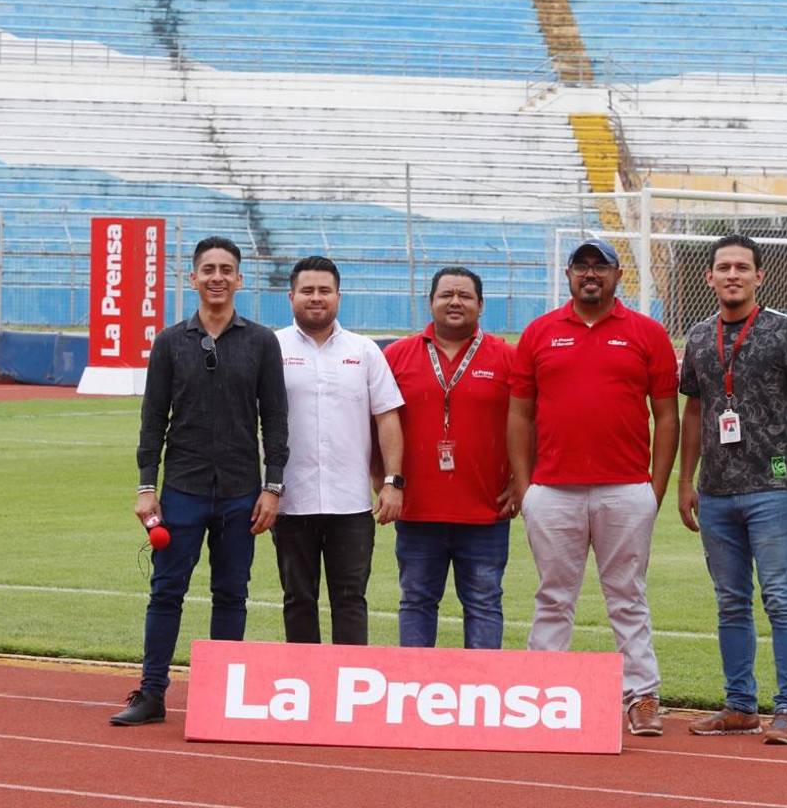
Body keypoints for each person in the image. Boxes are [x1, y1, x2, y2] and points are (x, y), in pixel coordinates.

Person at [112, 236, 289, 726]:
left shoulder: (261, 342)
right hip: (182, 490)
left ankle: (219, 698)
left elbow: (274, 420)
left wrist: (272, 488)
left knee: (231, 594)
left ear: (239, 279)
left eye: (226, 269)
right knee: (166, 592)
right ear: (192, 278)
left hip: (240, 493)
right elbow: (153, 420)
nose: (217, 277)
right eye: (207, 269)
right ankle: (151, 695)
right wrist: (147, 485)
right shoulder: (171, 342)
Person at [507, 238, 679, 737]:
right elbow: (519, 415)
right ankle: (542, 692)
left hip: (625, 488)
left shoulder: (647, 333)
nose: (590, 274)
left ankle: (641, 696)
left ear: (617, 275)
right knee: (553, 596)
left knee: (627, 596)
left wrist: (655, 486)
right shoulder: (539, 333)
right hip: (553, 490)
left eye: (599, 266)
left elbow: (666, 416)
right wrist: (525, 485)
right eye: (581, 266)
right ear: (568, 274)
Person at [677, 234, 787, 746]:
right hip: (716, 492)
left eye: (743, 267)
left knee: (781, 597)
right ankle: (740, 705)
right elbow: (693, 412)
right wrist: (685, 481)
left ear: (759, 276)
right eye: (724, 267)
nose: (733, 274)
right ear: (710, 278)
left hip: (774, 486)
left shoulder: (784, 331)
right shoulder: (698, 337)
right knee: (730, 602)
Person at [274, 256, 405, 645]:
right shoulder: (271, 347)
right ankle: (303, 687)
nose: (316, 298)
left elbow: (387, 418)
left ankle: (348, 689)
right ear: (291, 295)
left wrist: (392, 481)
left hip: (351, 505)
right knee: (298, 599)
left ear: (338, 296)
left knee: (350, 600)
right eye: (308, 290)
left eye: (324, 291)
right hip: (290, 501)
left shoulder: (364, 351)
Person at [383, 267, 515, 649]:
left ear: (480, 305)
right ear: (431, 302)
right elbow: (376, 423)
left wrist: (522, 479)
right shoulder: (398, 355)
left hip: (486, 510)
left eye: (465, 295)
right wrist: (385, 480)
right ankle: (416, 687)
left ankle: (483, 692)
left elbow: (531, 421)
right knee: (417, 601)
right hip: (417, 509)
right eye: (446, 295)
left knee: (485, 603)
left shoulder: (506, 357)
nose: (455, 302)